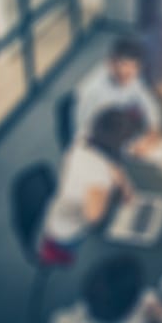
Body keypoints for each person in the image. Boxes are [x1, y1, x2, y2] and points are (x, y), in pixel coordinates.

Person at [39, 108, 141, 264]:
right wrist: (111, 193)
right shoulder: (98, 177)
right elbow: (94, 218)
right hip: (66, 235)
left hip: (57, 212)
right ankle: (60, 254)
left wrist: (126, 188)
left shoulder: (85, 139)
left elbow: (114, 166)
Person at [76, 37, 162, 156]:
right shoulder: (92, 91)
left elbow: (148, 103)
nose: (129, 72)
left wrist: (152, 132)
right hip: (97, 148)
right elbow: (83, 137)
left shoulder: (131, 78)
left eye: (134, 67)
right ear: (111, 63)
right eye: (124, 65)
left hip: (118, 136)